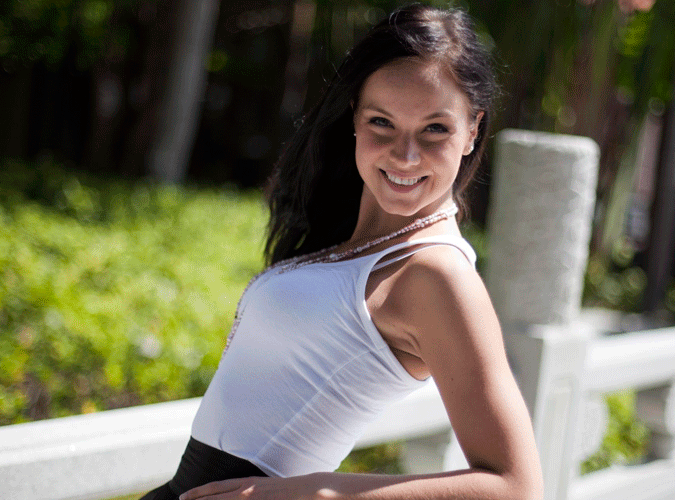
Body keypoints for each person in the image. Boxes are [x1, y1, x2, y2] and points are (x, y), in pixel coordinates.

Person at [141, 3, 543, 499]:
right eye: (382, 122)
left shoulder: (436, 274)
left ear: (473, 131)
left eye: (435, 129)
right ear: (354, 116)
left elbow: (516, 487)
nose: (405, 154)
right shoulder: (358, 245)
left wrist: (318, 494)